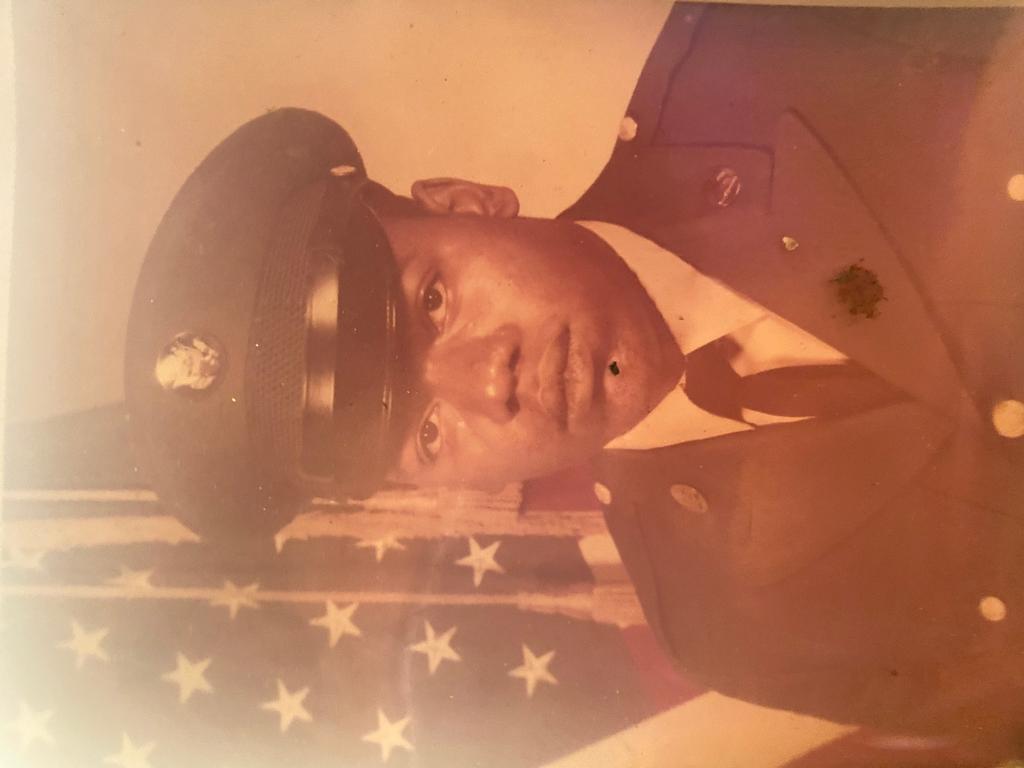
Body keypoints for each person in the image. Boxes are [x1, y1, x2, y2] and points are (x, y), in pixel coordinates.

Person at [125, 2, 1024, 747]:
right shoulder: (716, 626)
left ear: (467, 201)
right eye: (426, 432)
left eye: (433, 301)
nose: (491, 384)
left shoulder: (744, 64)